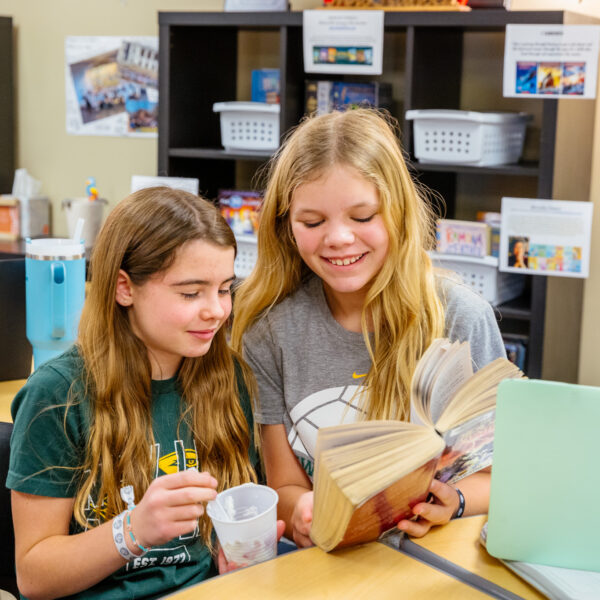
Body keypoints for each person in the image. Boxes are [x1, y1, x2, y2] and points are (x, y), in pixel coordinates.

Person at [230, 108, 506, 548]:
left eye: (362, 217)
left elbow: (501, 477)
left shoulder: (461, 317)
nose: (338, 238)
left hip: (436, 561)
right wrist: (301, 512)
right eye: (313, 222)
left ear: (398, 212)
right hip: (332, 564)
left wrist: (451, 500)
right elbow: (283, 485)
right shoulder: (268, 332)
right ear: (285, 225)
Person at [8, 187, 282, 599]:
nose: (216, 310)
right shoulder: (57, 395)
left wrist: (234, 558)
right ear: (124, 288)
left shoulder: (231, 381)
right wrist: (133, 531)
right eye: (191, 293)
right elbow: (34, 575)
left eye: (224, 288)